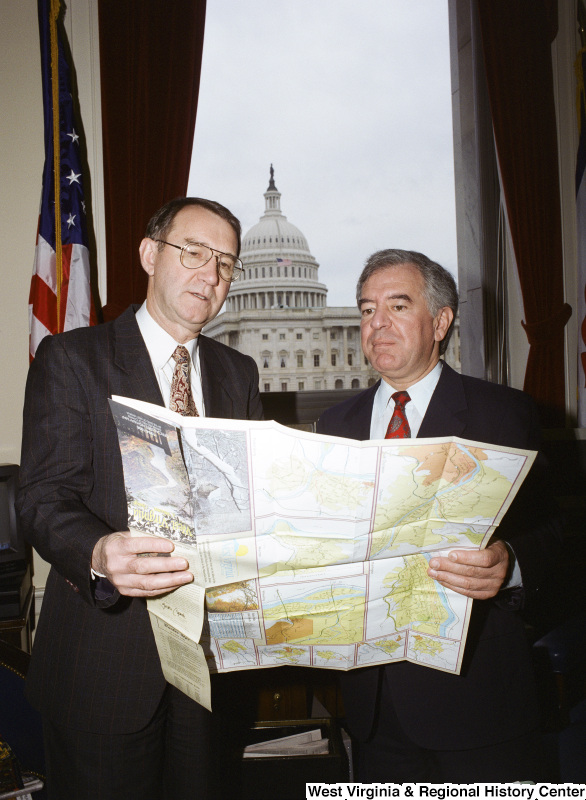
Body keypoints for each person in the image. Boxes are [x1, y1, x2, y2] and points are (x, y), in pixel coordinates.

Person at [17, 198, 263, 800]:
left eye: (226, 264)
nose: (211, 275)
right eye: (195, 253)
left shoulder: (239, 373)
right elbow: (44, 498)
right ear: (151, 254)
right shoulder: (73, 359)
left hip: (209, 669)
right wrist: (98, 550)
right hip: (103, 666)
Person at [316, 249, 562, 783]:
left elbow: (564, 532)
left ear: (441, 321)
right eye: (365, 310)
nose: (376, 324)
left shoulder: (505, 413)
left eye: (397, 306)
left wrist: (511, 563)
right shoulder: (334, 424)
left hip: (477, 702)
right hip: (372, 708)